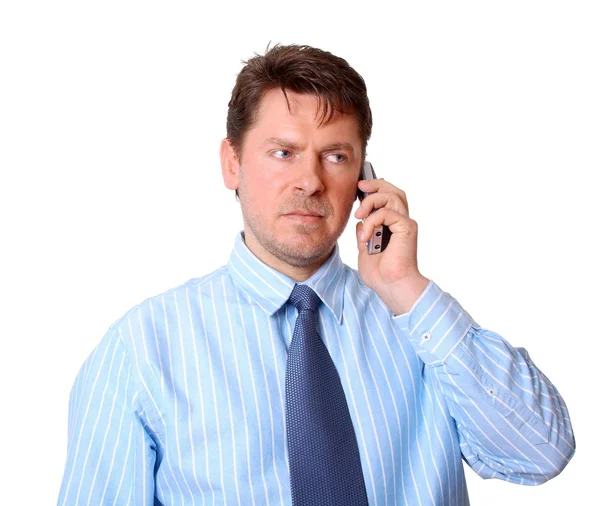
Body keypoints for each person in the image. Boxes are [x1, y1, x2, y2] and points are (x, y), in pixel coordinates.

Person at [57, 44, 575, 506]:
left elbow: (540, 454)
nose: (310, 180)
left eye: (335, 156)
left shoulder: (421, 329)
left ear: (364, 179)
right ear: (232, 164)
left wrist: (405, 288)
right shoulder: (142, 350)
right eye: (283, 153)